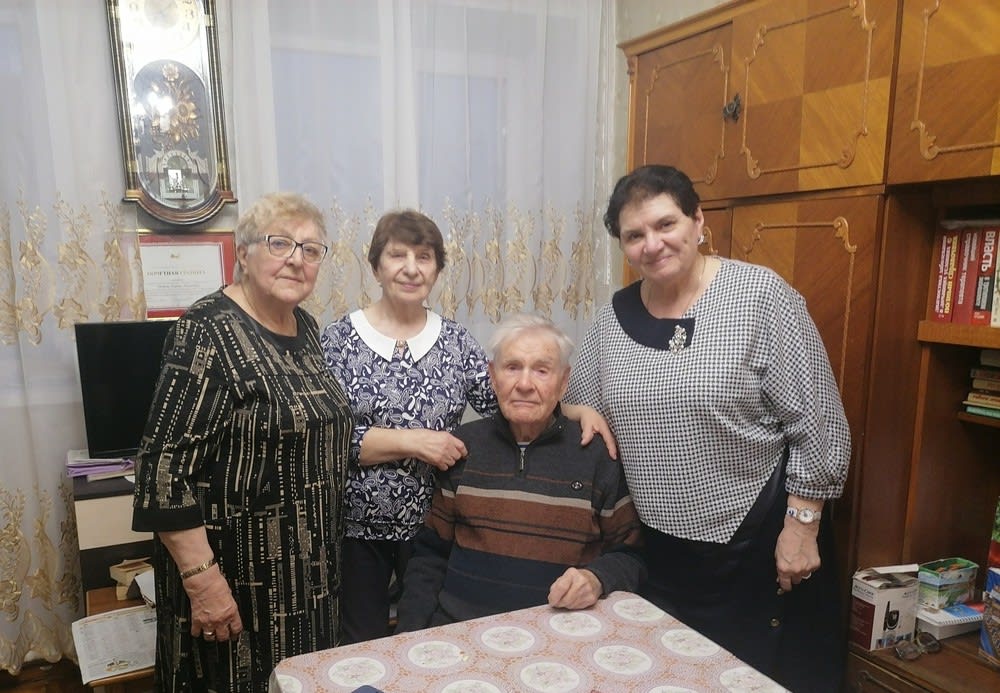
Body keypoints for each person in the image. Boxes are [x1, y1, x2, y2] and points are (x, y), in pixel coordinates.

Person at [565, 165, 851, 692]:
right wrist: (580, 411)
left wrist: (802, 528)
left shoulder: (760, 297)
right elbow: (581, 401)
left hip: (761, 542)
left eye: (665, 224)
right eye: (634, 235)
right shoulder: (613, 317)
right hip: (658, 551)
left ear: (698, 221)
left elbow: (818, 420)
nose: (652, 244)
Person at [321, 210, 616, 644]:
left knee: (423, 631)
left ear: (437, 270)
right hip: (358, 525)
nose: (411, 268)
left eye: (424, 257)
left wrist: (574, 411)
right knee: (362, 641)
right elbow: (324, 441)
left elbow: (508, 397)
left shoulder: (455, 341)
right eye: (397, 255)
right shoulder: (339, 340)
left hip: (435, 523)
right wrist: (416, 442)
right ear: (376, 266)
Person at [132, 193, 353, 692]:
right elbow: (162, 472)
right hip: (237, 583)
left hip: (307, 579)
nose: (296, 259)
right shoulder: (206, 330)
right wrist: (204, 583)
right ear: (244, 253)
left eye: (310, 249)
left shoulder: (306, 326)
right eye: (280, 243)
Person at [395, 313, 645, 630]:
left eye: (541, 370)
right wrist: (409, 636)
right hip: (460, 632)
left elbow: (631, 555)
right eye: (512, 367)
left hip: (559, 635)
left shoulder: (596, 454)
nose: (524, 384)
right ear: (492, 376)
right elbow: (429, 557)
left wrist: (596, 578)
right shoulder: (462, 448)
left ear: (563, 382)